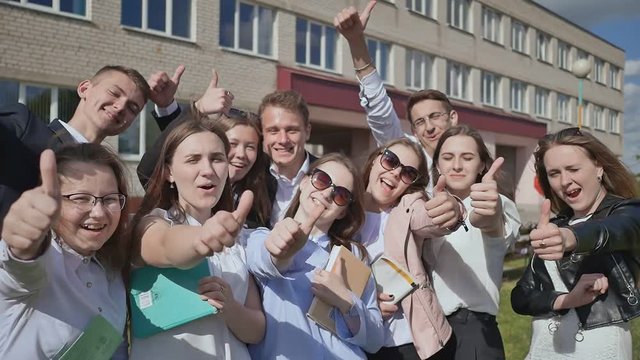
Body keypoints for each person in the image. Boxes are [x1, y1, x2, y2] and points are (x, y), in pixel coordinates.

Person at [128, 117, 265, 359]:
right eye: (193, 160)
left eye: (217, 158)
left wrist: (230, 307)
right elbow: (164, 246)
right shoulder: (152, 222)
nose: (208, 171)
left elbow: (256, 330)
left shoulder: (238, 238)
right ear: (169, 172)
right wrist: (203, 237)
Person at [0, 64, 182, 230]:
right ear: (84, 89)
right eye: (114, 93)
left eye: (132, 108)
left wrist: (167, 108)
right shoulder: (24, 128)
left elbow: (185, 160)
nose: (120, 107)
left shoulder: (110, 179)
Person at [511, 127, 640, 359]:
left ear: (598, 167)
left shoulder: (628, 212)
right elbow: (520, 297)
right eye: (554, 173)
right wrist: (565, 300)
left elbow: (609, 231)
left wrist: (569, 238)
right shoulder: (554, 225)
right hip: (542, 348)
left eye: (573, 169)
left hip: (596, 348)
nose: (565, 181)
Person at [246, 153, 384, 359]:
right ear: (303, 182)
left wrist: (346, 301)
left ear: (343, 212)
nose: (327, 193)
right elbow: (267, 260)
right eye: (322, 179)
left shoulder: (353, 255)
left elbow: (375, 341)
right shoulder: (262, 237)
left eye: (340, 194)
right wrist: (284, 251)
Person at [0, 143, 131, 359]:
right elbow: (21, 269)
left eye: (109, 199)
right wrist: (24, 244)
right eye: (80, 198)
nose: (98, 212)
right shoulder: (44, 261)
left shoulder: (112, 270)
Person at [147, 71, 318, 227]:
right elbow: (166, 158)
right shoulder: (203, 183)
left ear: (307, 131)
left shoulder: (329, 176)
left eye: (292, 130)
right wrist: (192, 110)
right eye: (273, 130)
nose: (283, 140)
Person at [334, 1, 458, 188]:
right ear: (414, 132)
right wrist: (356, 41)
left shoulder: (475, 161)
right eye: (420, 122)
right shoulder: (407, 158)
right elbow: (380, 111)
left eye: (435, 116)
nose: (430, 127)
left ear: (453, 117)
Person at [426, 125, 522, 359]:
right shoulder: (425, 207)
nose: (456, 165)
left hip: (471, 335)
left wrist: (488, 209)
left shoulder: (496, 202)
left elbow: (487, 220)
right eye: (448, 157)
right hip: (427, 333)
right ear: (437, 164)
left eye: (467, 158)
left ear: (481, 165)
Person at [358, 138, 459, 360]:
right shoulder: (343, 209)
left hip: (407, 344)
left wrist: (452, 210)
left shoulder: (409, 207)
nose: (395, 172)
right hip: (355, 341)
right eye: (390, 160)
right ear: (375, 159)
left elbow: (430, 219)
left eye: (408, 172)